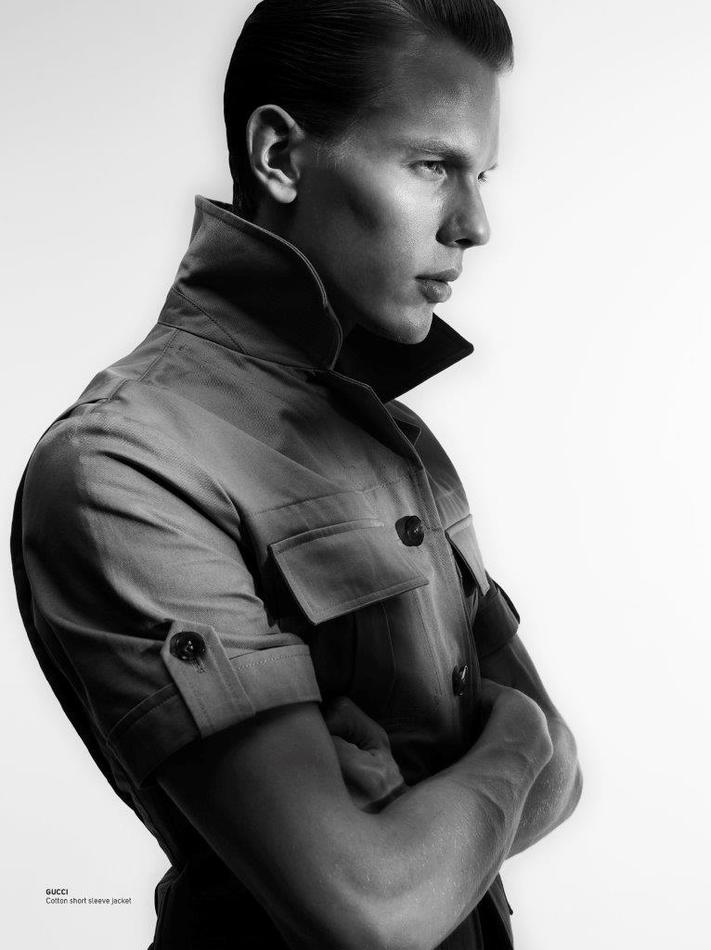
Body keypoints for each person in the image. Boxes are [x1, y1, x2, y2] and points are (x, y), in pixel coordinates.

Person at [10, 0, 583, 947]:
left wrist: (448, 800)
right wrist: (516, 735)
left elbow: (565, 779)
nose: (474, 224)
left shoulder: (395, 436)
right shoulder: (125, 462)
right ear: (279, 156)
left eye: (479, 175)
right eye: (430, 164)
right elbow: (372, 910)